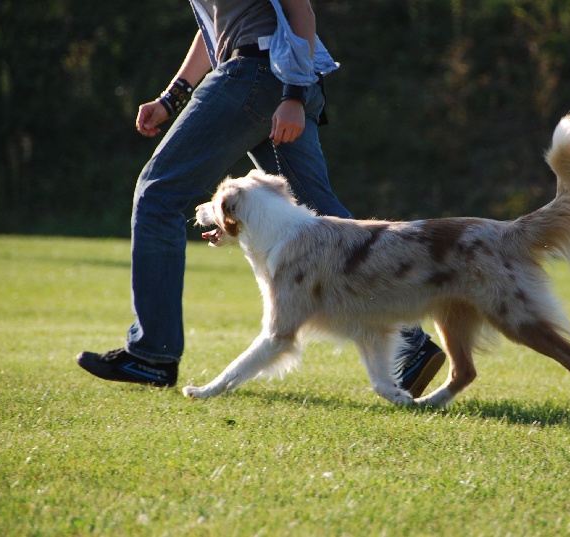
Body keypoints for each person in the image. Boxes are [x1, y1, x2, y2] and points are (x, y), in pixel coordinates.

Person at [76, 0, 445, 398]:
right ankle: (409, 344)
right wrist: (173, 96)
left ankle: (152, 354)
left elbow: (299, 10)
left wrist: (294, 94)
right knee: (318, 217)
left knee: (157, 194)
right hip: (270, 75)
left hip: (259, 74)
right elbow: (215, 25)